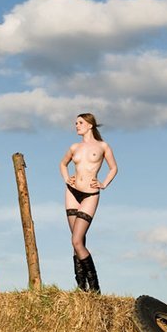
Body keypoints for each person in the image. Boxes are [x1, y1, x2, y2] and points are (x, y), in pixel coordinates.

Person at [59, 113, 118, 293]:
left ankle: (94, 288)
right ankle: (81, 287)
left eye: (80, 122)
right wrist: (67, 178)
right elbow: (63, 164)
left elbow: (113, 168)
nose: (77, 125)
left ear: (90, 125)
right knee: (77, 241)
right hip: (72, 193)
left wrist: (104, 183)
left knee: (77, 241)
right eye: (76, 123)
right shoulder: (74, 147)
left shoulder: (102, 146)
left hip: (90, 194)